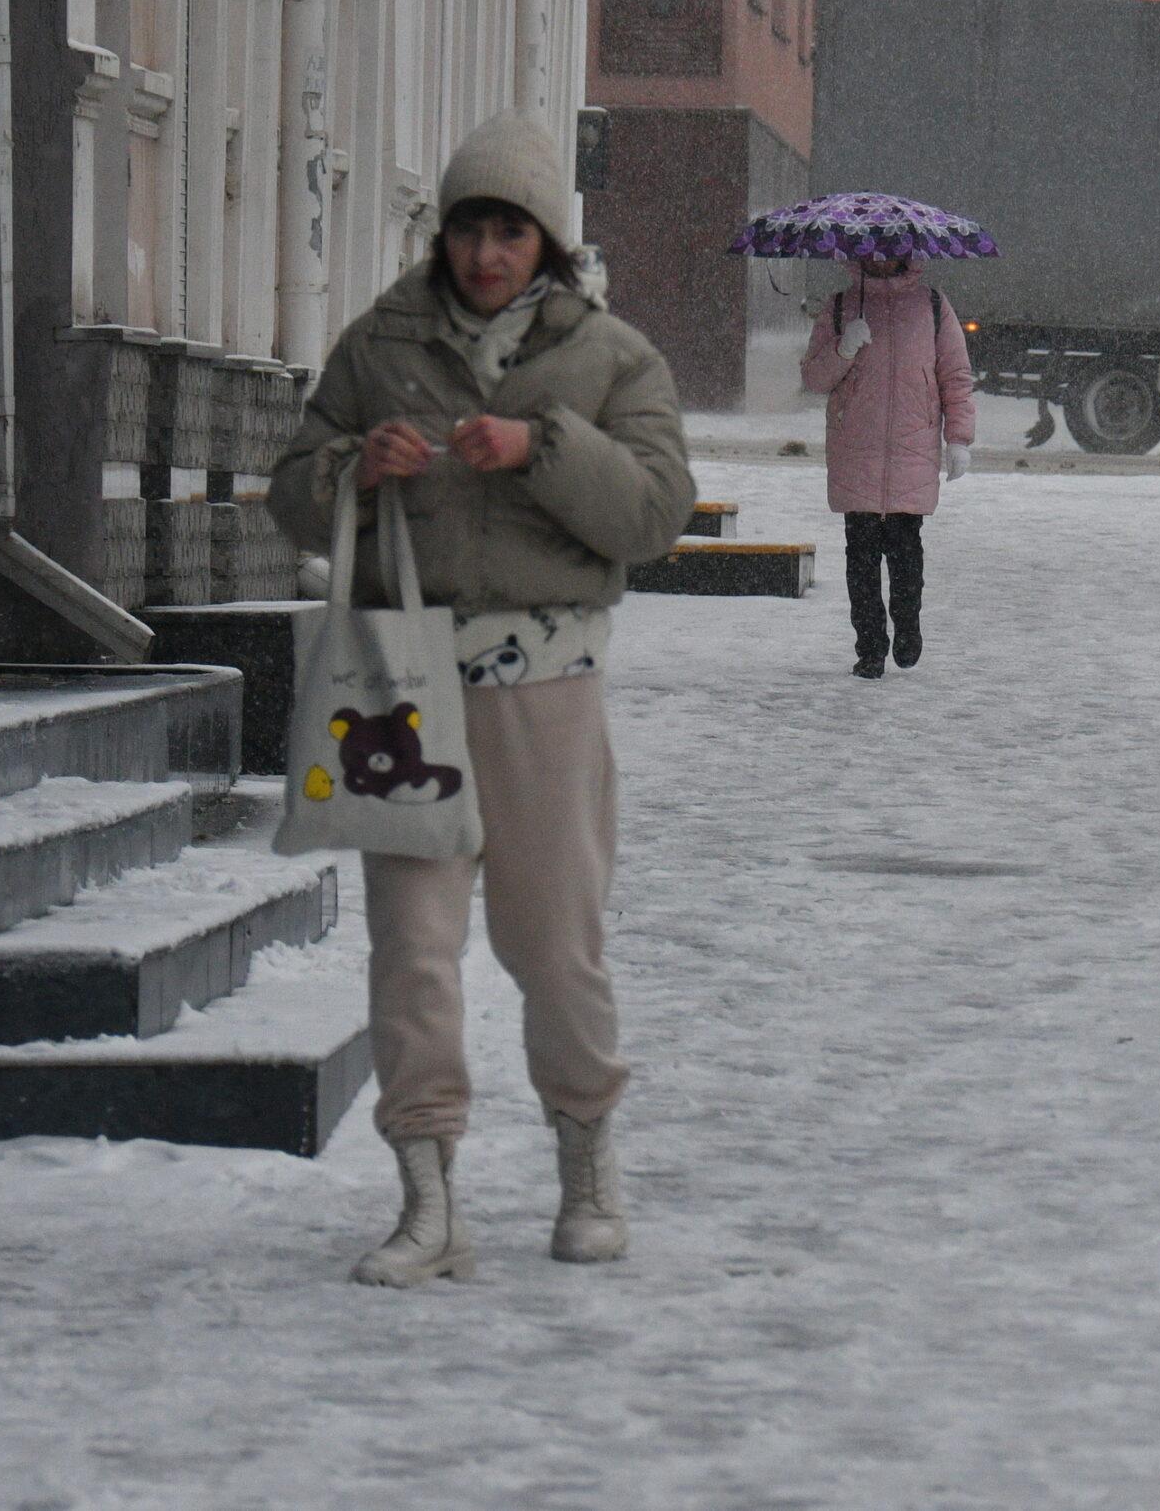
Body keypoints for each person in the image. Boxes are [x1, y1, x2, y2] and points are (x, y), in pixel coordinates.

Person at [269, 112, 695, 1287]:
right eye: (469, 227)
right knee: (410, 945)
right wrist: (354, 467)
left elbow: (655, 513)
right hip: (399, 690)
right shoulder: (380, 342)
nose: (486, 253)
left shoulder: (613, 359)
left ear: (546, 240)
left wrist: (542, 447)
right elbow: (290, 492)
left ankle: (588, 1163)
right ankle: (427, 1196)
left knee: (554, 943)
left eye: (510, 230)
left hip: (542, 687)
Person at [799, 254, 977, 678]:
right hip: (855, 452)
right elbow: (813, 378)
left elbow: (955, 376)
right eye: (872, 250)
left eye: (892, 249)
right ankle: (870, 648)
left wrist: (959, 440)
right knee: (860, 559)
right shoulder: (842, 306)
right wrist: (843, 348)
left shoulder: (932, 306)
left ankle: (908, 627)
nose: (881, 257)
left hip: (912, 453)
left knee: (905, 556)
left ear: (909, 253)